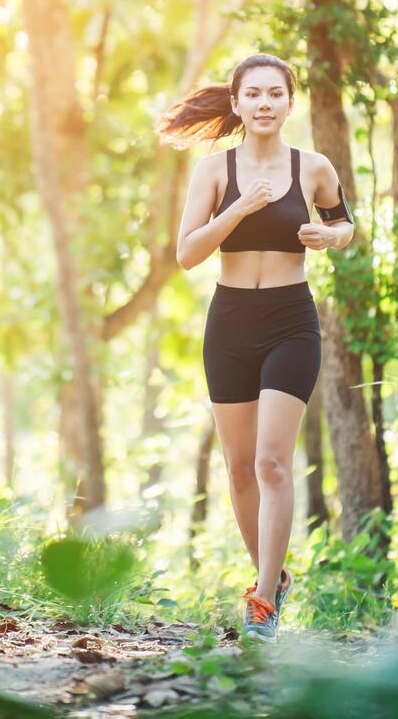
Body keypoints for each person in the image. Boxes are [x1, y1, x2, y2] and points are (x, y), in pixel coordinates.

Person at [156, 52, 355, 643]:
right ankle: (274, 577)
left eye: (276, 94)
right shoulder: (215, 172)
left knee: (272, 461)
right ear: (238, 103)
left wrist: (331, 236)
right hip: (231, 322)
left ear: (290, 103)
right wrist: (241, 208)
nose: (265, 104)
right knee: (240, 469)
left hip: (292, 321)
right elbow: (187, 253)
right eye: (254, 95)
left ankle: (262, 599)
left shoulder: (313, 167)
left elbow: (345, 223)